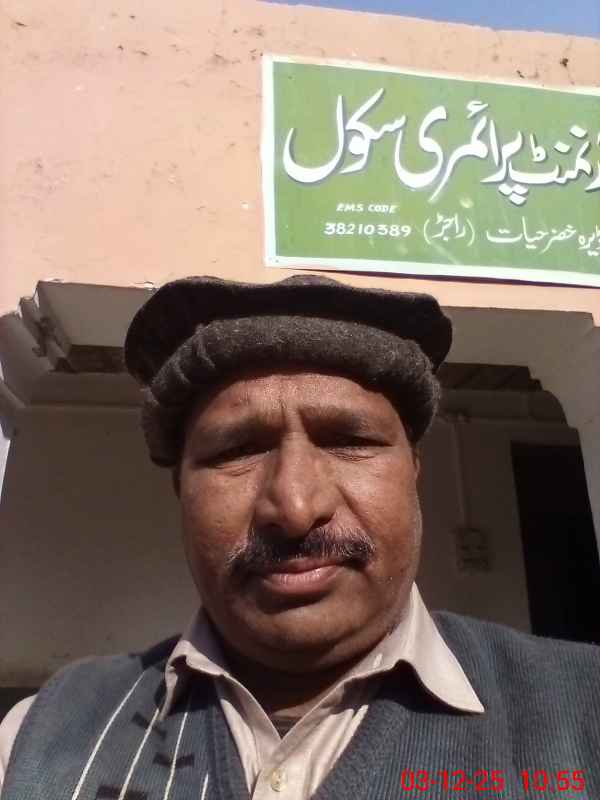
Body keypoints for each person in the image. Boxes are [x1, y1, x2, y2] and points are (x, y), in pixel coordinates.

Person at [1, 273, 599, 799]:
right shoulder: (36, 738)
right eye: (237, 450)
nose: (293, 508)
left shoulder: (583, 709)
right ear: (180, 488)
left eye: (349, 441)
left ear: (414, 469)